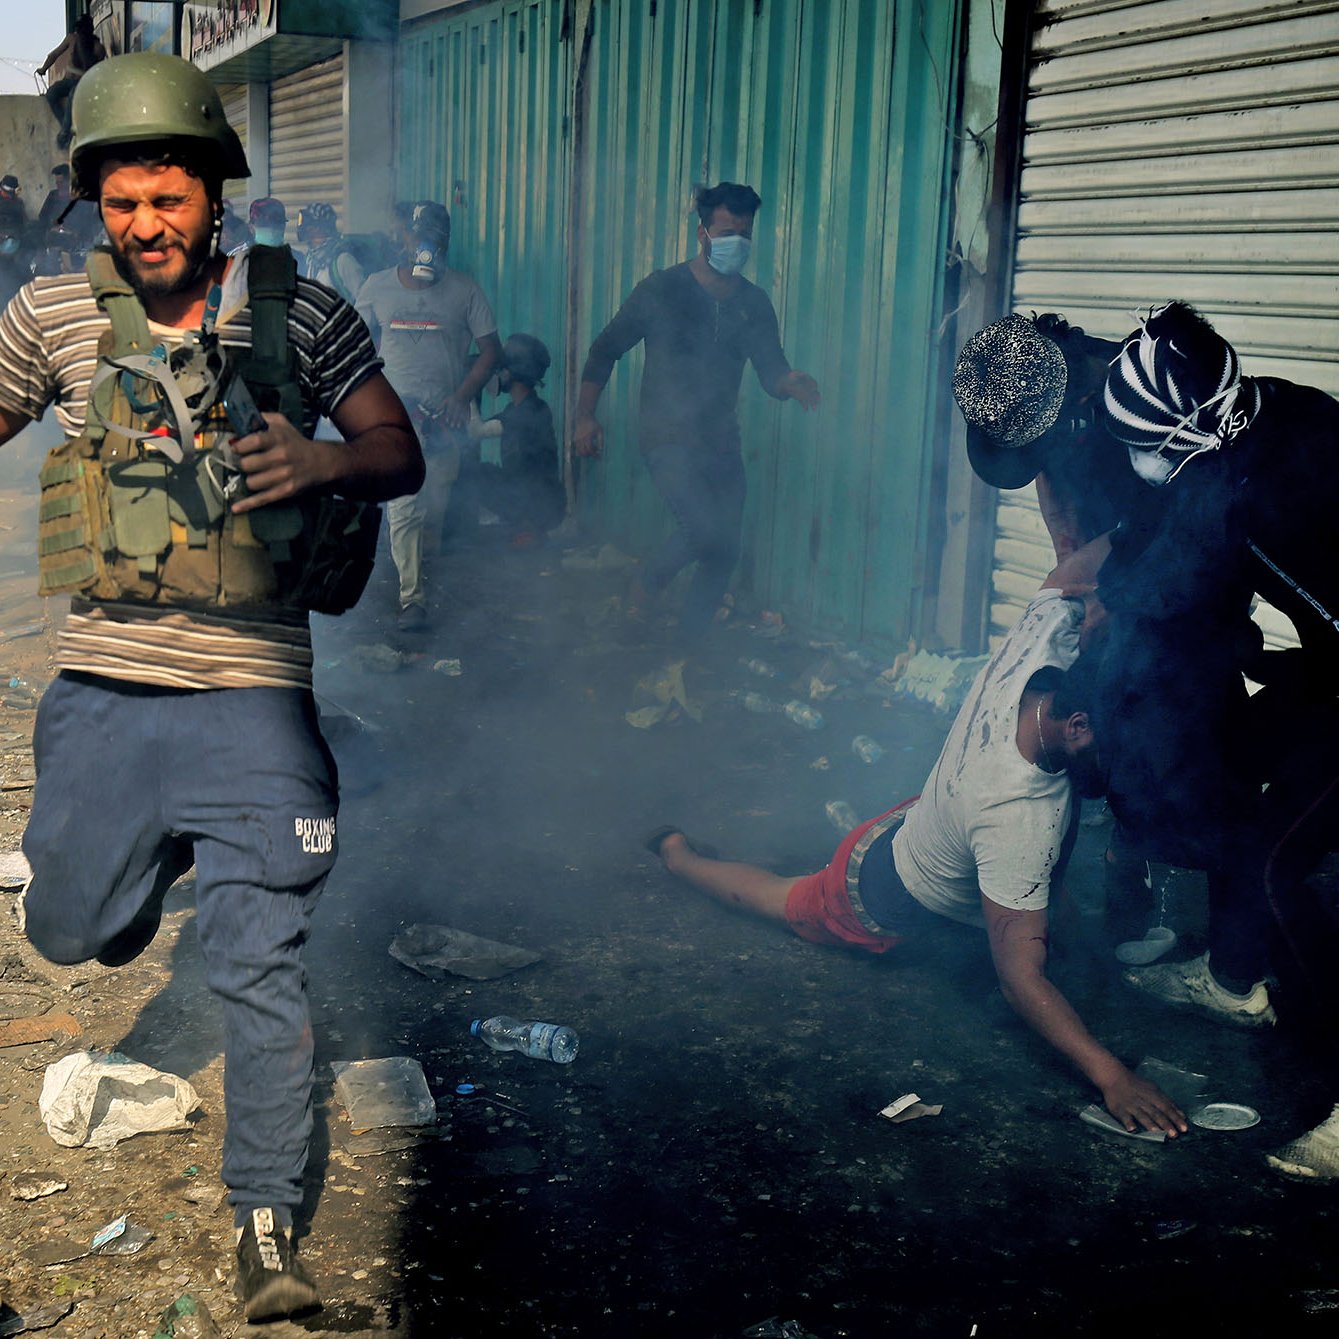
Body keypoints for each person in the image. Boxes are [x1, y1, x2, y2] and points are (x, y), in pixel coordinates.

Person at [0, 53, 423, 1319]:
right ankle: (151, 858)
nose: (145, 226)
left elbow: (399, 451)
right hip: (106, 694)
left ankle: (265, 1236)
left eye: (166, 198)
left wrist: (321, 459)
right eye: (121, 203)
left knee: (259, 965)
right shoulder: (50, 317)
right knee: (68, 931)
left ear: (214, 191)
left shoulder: (301, 312)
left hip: (254, 702)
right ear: (95, 205)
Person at [647, 577, 1187, 1137]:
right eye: (1115, 747)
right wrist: (1112, 1077)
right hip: (869, 894)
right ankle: (677, 855)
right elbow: (1020, 981)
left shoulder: (1040, 647)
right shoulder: (1019, 820)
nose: (1122, 762)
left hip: (925, 815)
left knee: (1032, 895)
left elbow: (1068, 574)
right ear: (1077, 726)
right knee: (777, 897)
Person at [1096, 300, 1339, 1176]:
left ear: (1191, 435)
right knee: (1248, 758)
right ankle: (1232, 982)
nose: (1135, 459)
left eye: (1142, 444)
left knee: (1279, 863)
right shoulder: (1267, 407)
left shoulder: (1261, 500)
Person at [573, 182, 820, 639]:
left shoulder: (753, 304)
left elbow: (770, 370)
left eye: (745, 235)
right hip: (665, 435)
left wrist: (789, 382)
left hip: (721, 439)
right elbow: (604, 350)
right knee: (703, 530)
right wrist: (585, 416)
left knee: (724, 548)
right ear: (703, 233)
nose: (737, 244)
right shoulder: (661, 290)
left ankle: (690, 644)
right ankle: (645, 588)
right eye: (728, 232)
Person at [355, 200, 501, 629]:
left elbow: (492, 350)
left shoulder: (464, 290)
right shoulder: (377, 286)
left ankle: (417, 572)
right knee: (405, 505)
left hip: (445, 419)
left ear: (446, 244)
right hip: (396, 416)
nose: (424, 248)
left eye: (433, 241)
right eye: (417, 238)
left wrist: (461, 397)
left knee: (432, 508)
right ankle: (411, 600)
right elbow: (356, 344)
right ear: (403, 241)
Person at [470, 332, 565, 543]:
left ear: (512, 372)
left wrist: (471, 384)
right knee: (480, 471)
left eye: (501, 367)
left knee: (471, 474)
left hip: (538, 505)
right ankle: (522, 525)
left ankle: (527, 528)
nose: (498, 372)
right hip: (535, 499)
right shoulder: (521, 407)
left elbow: (477, 431)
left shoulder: (529, 411)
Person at [37, 14, 106, 149]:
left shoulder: (98, 48)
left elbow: (95, 71)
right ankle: (66, 128)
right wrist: (44, 68)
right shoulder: (72, 39)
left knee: (72, 97)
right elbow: (54, 55)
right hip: (68, 81)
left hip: (83, 85)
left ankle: (64, 133)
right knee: (51, 93)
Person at [296, 201, 365, 305]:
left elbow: (363, 300)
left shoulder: (343, 260)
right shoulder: (311, 259)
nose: (304, 228)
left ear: (317, 228)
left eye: (308, 224)